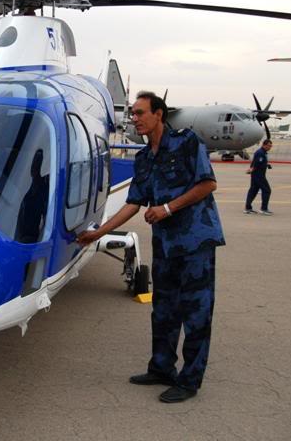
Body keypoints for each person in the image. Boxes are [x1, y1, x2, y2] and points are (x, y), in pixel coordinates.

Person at [77, 91, 225, 404]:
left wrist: (168, 208)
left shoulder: (187, 142)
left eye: (141, 113)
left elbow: (207, 184)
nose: (135, 119)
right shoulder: (144, 159)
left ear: (159, 114)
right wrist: (99, 232)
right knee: (164, 310)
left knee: (196, 313)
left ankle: (189, 380)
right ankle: (161, 368)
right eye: (132, 114)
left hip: (196, 241)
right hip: (167, 244)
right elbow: (134, 203)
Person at [245, 139, 273, 215]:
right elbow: (256, 163)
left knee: (253, 191)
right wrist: (251, 169)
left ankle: (248, 208)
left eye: (271, 146)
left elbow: (258, 162)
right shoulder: (260, 153)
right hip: (258, 175)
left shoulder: (262, 152)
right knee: (267, 190)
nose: (270, 147)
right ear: (264, 145)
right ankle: (263, 209)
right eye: (269, 146)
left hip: (256, 175)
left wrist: (267, 165)